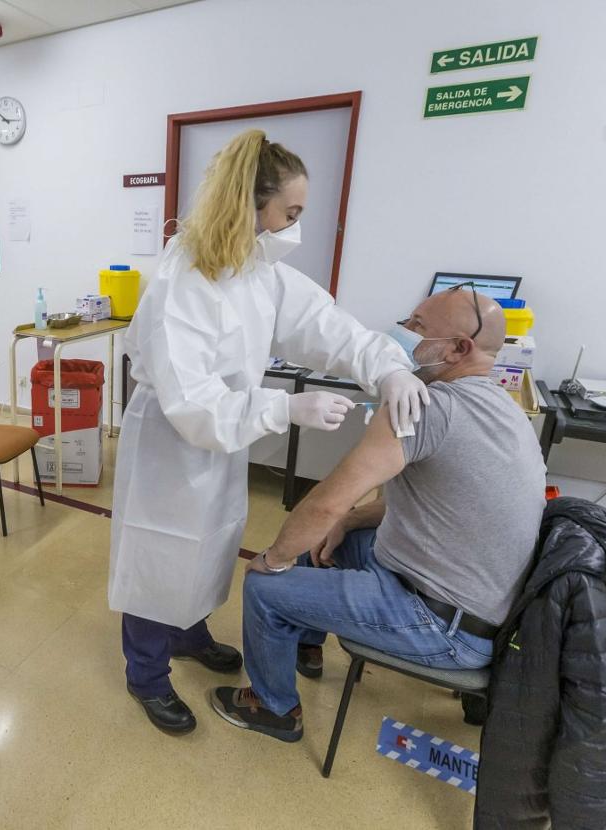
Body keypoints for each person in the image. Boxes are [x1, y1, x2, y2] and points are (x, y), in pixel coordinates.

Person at [109, 129, 429, 734]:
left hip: (221, 436)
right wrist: (283, 409)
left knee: (209, 541)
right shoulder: (186, 278)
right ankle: (146, 674)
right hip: (172, 441)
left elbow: (325, 325)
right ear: (250, 204)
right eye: (291, 213)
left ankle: (188, 632)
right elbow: (193, 403)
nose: (295, 227)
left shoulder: (256, 269)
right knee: (161, 551)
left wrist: (386, 364)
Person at [210, 285, 547, 744]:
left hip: (445, 627)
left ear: (457, 348)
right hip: (482, 609)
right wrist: (347, 522)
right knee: (333, 540)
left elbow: (328, 499)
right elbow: (439, 507)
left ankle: (274, 709)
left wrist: (270, 560)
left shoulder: (426, 407)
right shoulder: (504, 410)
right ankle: (306, 646)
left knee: (266, 584)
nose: (401, 334)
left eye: (416, 327)